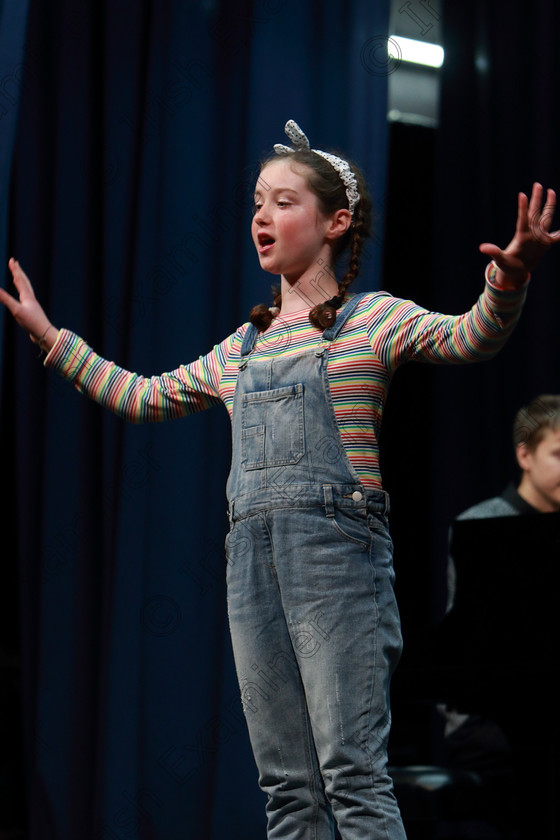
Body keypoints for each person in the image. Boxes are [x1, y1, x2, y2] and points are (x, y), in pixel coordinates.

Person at [1, 119, 558, 840]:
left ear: (336, 222)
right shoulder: (243, 345)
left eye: (284, 201)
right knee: (288, 792)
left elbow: (471, 335)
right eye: (257, 203)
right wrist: (52, 338)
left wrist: (509, 275)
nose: (262, 216)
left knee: (352, 776)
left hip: (338, 564)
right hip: (252, 570)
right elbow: (143, 397)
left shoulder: (373, 320)